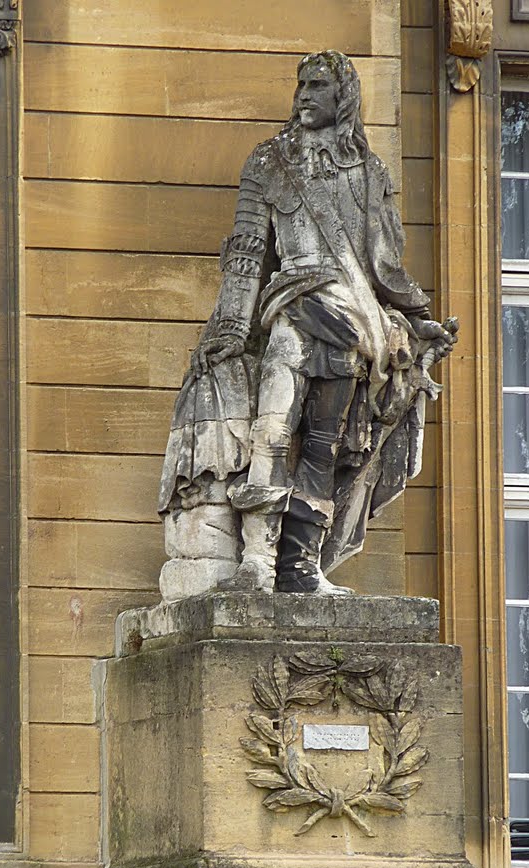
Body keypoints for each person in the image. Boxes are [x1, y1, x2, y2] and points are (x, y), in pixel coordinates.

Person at [158, 50, 456, 597]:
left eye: (317, 85)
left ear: (343, 96)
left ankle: (301, 566)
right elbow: (248, 252)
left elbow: (385, 267)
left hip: (354, 325)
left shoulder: (370, 173)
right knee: (271, 431)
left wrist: (417, 321)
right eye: (301, 84)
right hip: (293, 307)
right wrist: (228, 327)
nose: (304, 95)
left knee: (327, 444)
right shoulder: (270, 162)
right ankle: (256, 561)